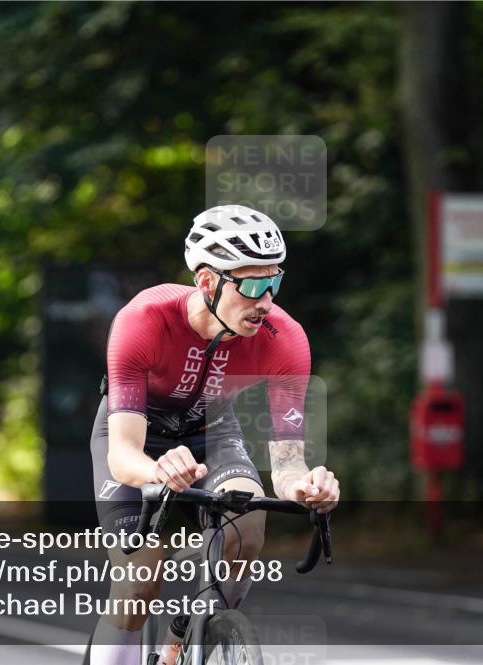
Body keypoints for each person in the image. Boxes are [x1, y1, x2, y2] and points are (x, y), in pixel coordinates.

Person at [88, 205, 340, 665]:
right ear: (207, 282)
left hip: (211, 430)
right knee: (137, 584)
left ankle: (186, 640)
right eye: (253, 285)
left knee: (246, 528)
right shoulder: (143, 320)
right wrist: (157, 468)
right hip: (136, 435)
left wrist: (306, 486)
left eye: (274, 282)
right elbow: (123, 454)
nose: (266, 301)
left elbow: (286, 463)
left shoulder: (284, 338)